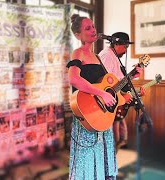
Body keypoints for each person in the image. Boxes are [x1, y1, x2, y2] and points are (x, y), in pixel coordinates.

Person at [66, 14, 118, 180]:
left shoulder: (97, 57)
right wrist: (101, 93)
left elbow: (104, 85)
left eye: (93, 27)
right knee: (87, 158)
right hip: (86, 113)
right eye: (88, 28)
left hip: (100, 114)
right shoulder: (78, 53)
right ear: (78, 35)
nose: (93, 30)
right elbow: (74, 79)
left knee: (103, 155)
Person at [99, 32, 145, 152]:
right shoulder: (107, 56)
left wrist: (133, 75)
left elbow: (118, 80)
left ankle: (117, 148)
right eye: (125, 47)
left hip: (114, 97)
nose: (126, 50)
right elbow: (104, 82)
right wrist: (122, 94)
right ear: (117, 44)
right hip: (106, 100)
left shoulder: (113, 57)